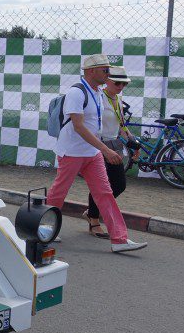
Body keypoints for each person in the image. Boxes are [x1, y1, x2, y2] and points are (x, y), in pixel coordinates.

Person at [46, 54, 146, 253]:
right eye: (105, 70)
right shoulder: (76, 92)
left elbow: (103, 124)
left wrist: (122, 141)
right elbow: (79, 127)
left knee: (105, 193)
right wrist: (106, 149)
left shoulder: (99, 92)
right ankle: (46, 227)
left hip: (92, 152)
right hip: (72, 152)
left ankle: (119, 239)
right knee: (59, 192)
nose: (108, 74)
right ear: (92, 71)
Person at [84, 66, 135, 238]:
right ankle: (94, 220)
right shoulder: (98, 97)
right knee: (101, 185)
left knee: (119, 185)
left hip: (114, 145)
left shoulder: (117, 99)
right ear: (107, 81)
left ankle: (92, 211)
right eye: (117, 83)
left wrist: (131, 140)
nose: (121, 87)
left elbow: (121, 124)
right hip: (99, 145)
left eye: (124, 84)